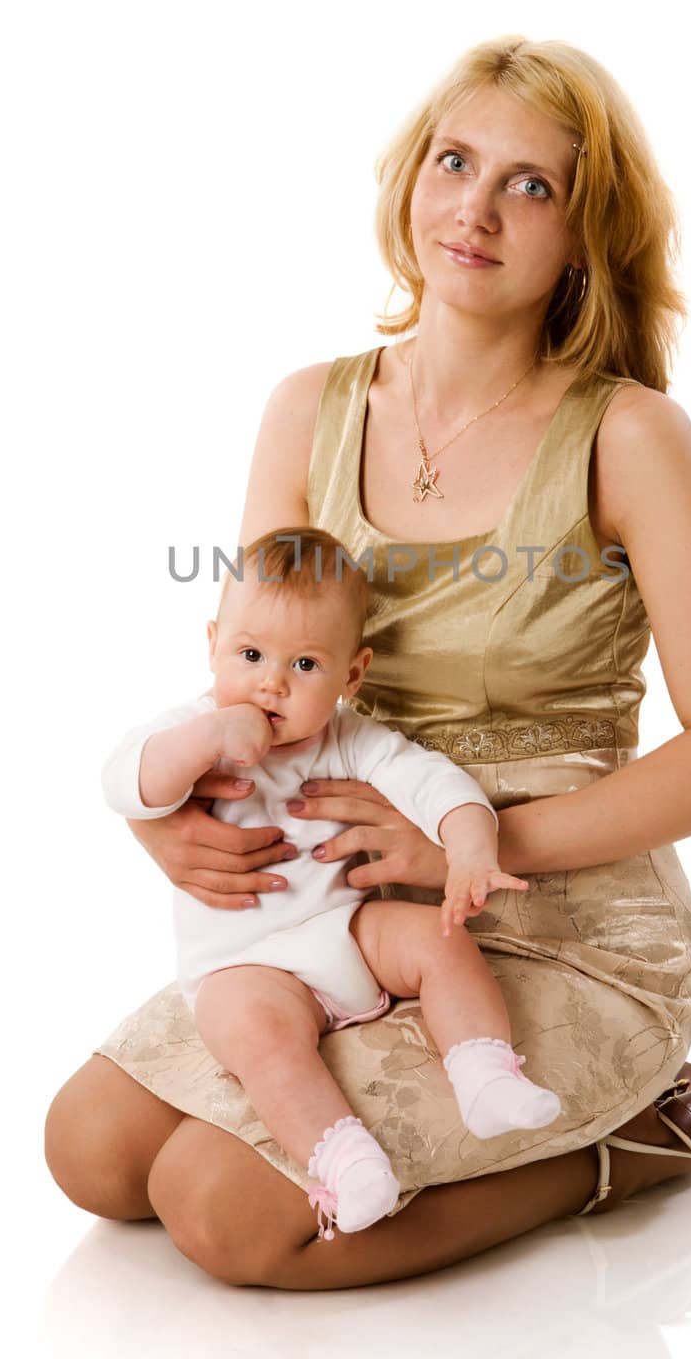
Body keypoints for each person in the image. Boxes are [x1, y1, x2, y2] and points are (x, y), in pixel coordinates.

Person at [45, 33, 691, 1291]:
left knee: (225, 1212)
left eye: (530, 184)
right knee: (94, 1154)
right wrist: (168, 823)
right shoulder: (308, 409)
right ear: (409, 176)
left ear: (580, 232)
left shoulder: (631, 438)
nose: (475, 208)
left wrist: (474, 845)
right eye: (454, 160)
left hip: (556, 920)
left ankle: (634, 1140)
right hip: (331, 916)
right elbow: (252, 673)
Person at [98, 525, 561, 1241]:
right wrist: (209, 738)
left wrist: (469, 848)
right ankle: (345, 1164)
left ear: (351, 675)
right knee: (259, 1043)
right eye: (249, 655)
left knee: (437, 939)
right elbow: (127, 782)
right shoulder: (188, 726)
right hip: (242, 962)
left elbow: (436, 784)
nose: (270, 682)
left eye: (305, 664)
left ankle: (485, 1076)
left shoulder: (349, 736)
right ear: (213, 643)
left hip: (345, 931)